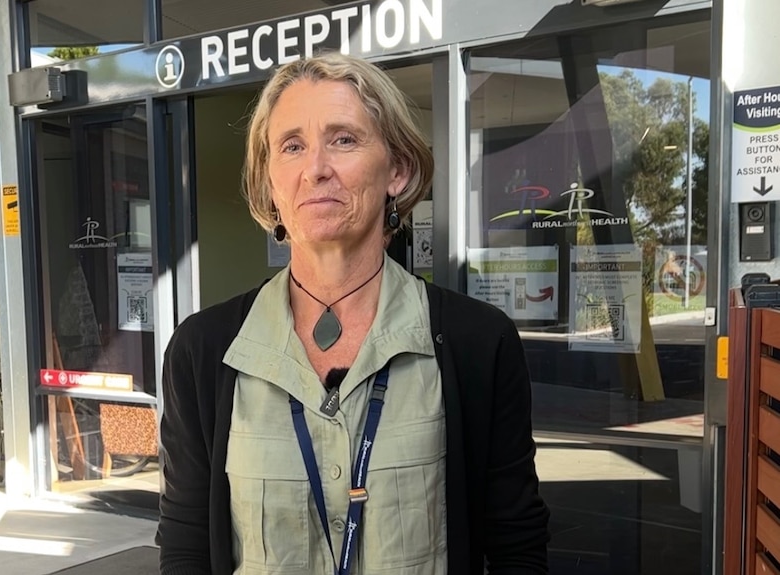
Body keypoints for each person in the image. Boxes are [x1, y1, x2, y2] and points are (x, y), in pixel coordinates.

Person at [157, 52, 550, 574]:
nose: (316, 168)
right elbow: (187, 547)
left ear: (398, 169)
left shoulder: (477, 343)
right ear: (271, 183)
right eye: (292, 146)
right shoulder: (204, 351)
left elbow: (515, 547)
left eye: (343, 139)